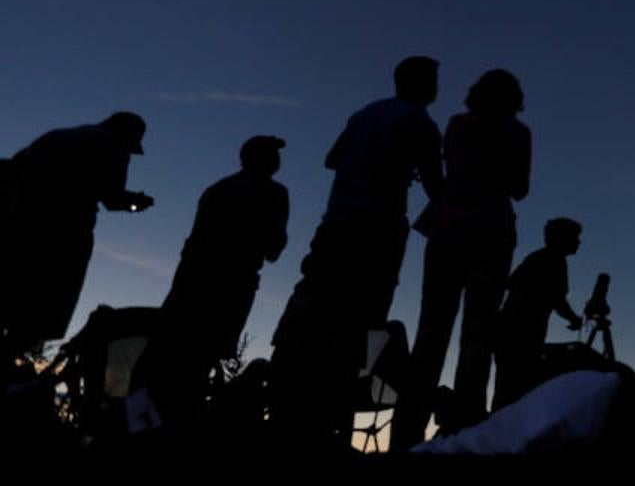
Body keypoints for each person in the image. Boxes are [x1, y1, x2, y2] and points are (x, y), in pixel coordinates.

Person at [270, 57, 443, 444]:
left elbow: (332, 159)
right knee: (362, 321)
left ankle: (293, 408)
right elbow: (436, 186)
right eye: (433, 79)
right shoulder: (421, 123)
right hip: (377, 229)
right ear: (422, 84)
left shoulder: (366, 113)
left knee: (315, 310)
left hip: (336, 223)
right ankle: (329, 419)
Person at [392, 69, 530, 447]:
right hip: (492, 231)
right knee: (479, 334)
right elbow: (520, 189)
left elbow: (447, 170)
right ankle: (465, 432)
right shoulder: (518, 134)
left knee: (431, 332)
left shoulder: (456, 124)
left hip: (448, 228)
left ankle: (406, 433)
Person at [132, 136, 289, 423]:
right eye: (272, 154)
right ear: (262, 159)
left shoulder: (217, 190)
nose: (278, 160)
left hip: (191, 281)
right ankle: (172, 425)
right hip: (231, 285)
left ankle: (142, 424)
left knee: (169, 355)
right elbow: (274, 249)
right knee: (199, 362)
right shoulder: (274, 193)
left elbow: (194, 241)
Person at [0, 112, 153, 360]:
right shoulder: (113, 145)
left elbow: (10, 169)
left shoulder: (56, 136)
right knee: (39, 313)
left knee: (9, 299)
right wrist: (135, 202)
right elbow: (112, 198)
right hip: (63, 234)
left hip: (17, 226)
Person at [491, 217, 584, 410]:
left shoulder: (538, 258)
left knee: (507, 388)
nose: (578, 242)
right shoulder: (553, 261)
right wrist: (573, 318)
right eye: (574, 237)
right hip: (521, 334)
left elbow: (512, 282)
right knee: (515, 389)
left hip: (510, 331)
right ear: (561, 238)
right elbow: (557, 299)